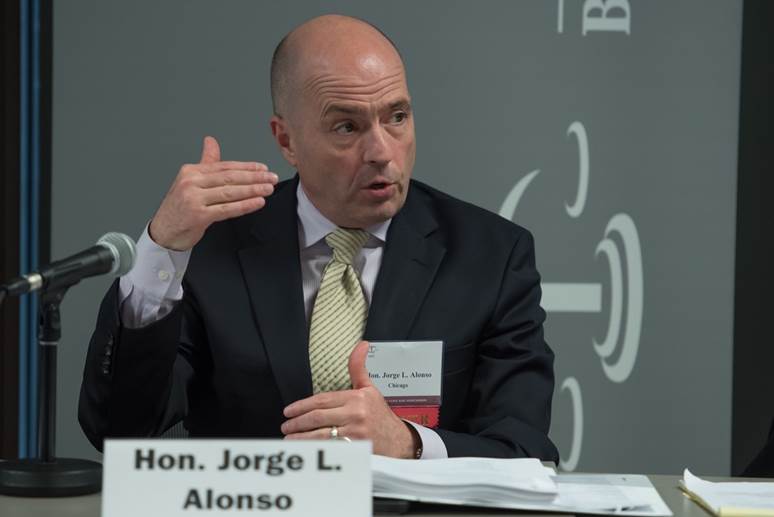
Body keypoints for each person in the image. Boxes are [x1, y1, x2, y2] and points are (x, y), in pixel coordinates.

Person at [78, 14, 559, 461]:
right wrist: (163, 249)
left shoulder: (491, 256)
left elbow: (525, 451)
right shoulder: (212, 247)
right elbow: (118, 430)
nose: (382, 152)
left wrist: (410, 444)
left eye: (396, 117)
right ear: (286, 140)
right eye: (347, 126)